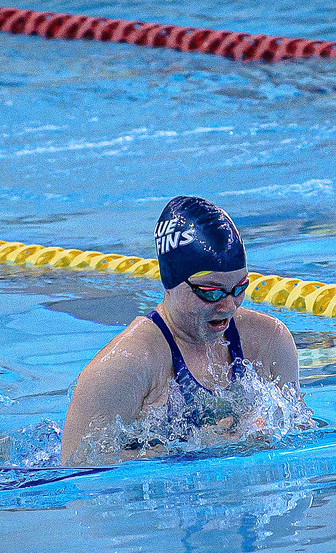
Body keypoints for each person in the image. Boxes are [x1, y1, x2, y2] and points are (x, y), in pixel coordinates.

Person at [61, 195, 301, 466]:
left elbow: (298, 432)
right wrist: (194, 450)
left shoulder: (269, 340)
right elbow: (77, 470)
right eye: (210, 292)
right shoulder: (125, 366)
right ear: (171, 280)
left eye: (239, 288)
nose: (228, 305)